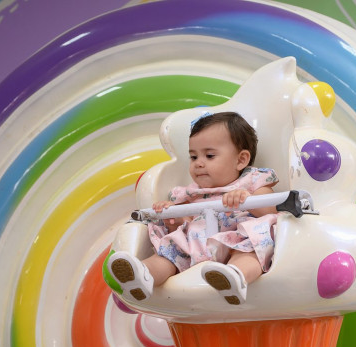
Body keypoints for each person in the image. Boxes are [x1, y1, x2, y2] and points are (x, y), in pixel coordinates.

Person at [106, 112, 279, 305]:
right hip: (196, 244)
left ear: (241, 160)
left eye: (209, 156)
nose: (199, 163)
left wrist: (246, 198)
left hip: (235, 242)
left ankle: (235, 277)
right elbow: (185, 222)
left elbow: (271, 211)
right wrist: (173, 215)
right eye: (193, 157)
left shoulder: (252, 181)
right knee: (170, 250)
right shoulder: (192, 193)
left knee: (251, 246)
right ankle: (142, 275)